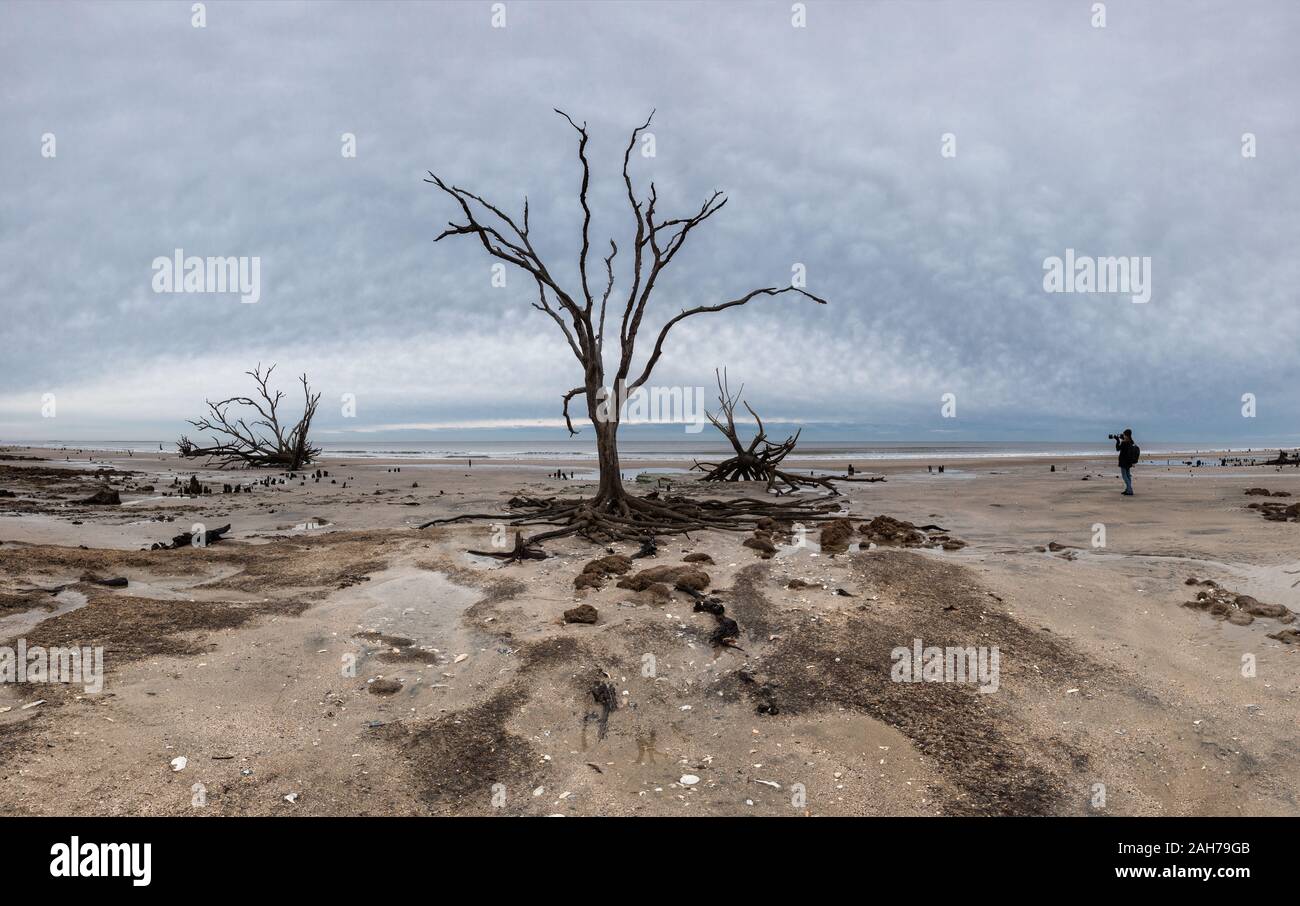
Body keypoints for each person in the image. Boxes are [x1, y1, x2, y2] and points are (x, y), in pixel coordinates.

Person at [1115, 428, 1138, 495]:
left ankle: (1129, 490)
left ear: (1126, 435)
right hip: (1129, 461)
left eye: (1124, 434)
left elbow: (1117, 449)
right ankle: (1128, 489)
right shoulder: (1131, 442)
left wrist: (1117, 441)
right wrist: (1121, 439)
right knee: (1128, 475)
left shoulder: (1124, 443)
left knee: (1124, 476)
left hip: (1123, 461)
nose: (1123, 435)